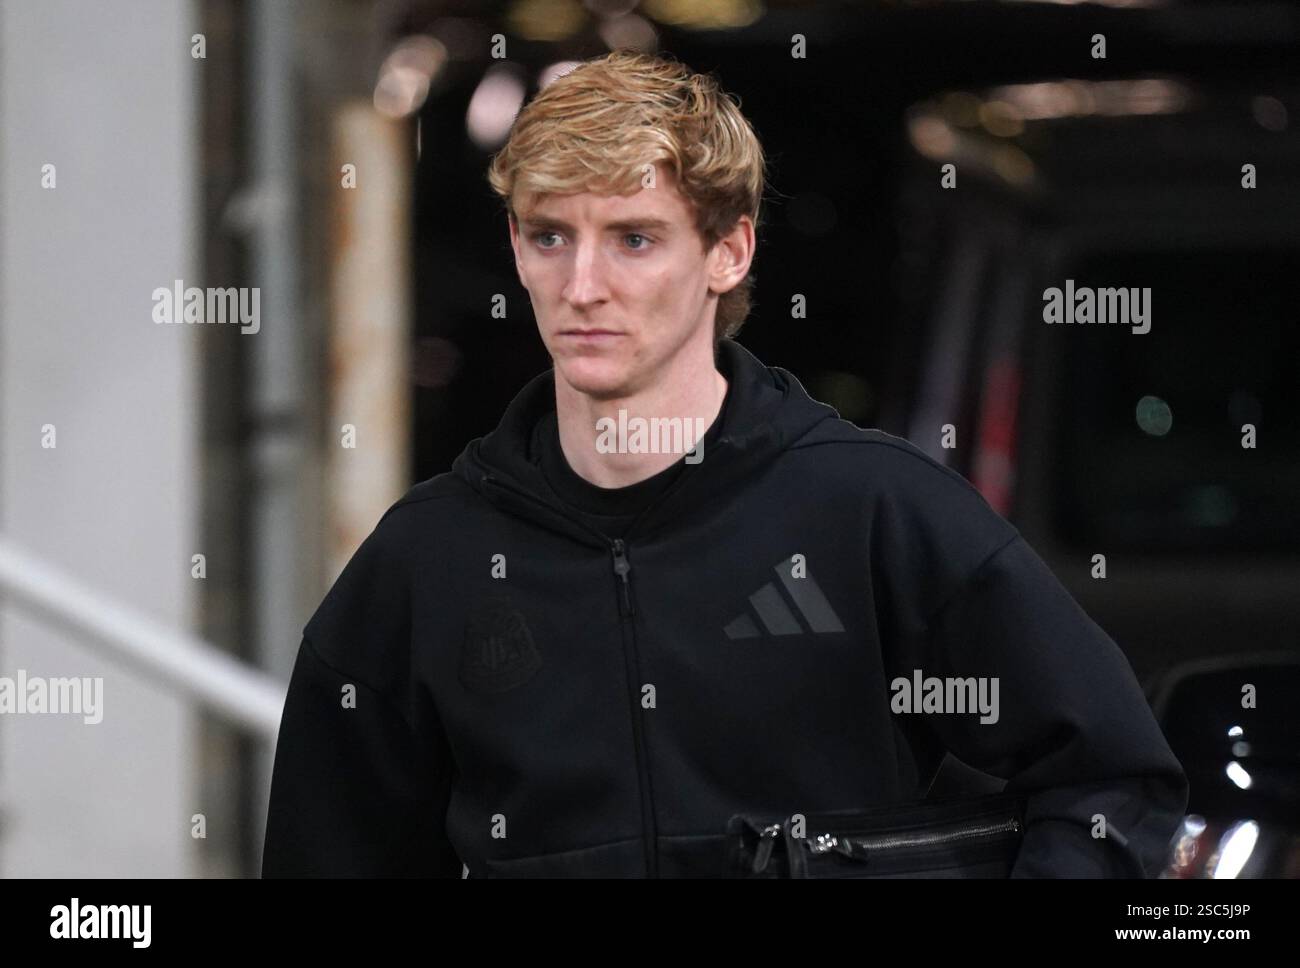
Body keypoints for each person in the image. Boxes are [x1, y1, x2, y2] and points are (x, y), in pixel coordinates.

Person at [262, 49, 1187, 878]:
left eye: (634, 238)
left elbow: (1110, 782)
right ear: (516, 247)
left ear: (730, 250)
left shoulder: (875, 515)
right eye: (551, 235)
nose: (583, 286)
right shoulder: (425, 565)